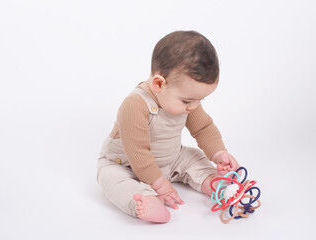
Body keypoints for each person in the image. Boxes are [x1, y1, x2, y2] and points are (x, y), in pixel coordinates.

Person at [97, 30, 240, 223]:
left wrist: (219, 153)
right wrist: (160, 185)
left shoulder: (187, 101)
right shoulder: (135, 106)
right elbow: (138, 152)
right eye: (187, 100)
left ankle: (212, 182)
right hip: (126, 164)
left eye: (200, 99)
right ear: (158, 83)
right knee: (112, 180)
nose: (193, 106)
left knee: (193, 157)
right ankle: (144, 201)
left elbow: (203, 128)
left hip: (170, 158)